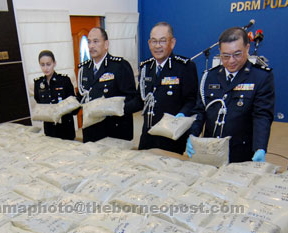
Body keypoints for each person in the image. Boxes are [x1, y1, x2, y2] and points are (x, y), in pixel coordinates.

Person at [187, 27, 275, 163]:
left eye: (237, 54)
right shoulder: (210, 76)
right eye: (225, 56)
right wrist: (192, 134)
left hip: (241, 153)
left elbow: (262, 116)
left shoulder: (260, 77)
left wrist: (260, 147)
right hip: (209, 150)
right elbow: (200, 110)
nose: (231, 61)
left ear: (247, 48)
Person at [129, 22, 198, 154]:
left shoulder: (184, 67)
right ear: (149, 43)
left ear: (172, 43)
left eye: (162, 41)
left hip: (171, 136)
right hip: (148, 134)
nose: (157, 46)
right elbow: (140, 99)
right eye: (154, 41)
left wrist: (182, 114)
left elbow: (192, 100)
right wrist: (120, 108)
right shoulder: (145, 68)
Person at [77, 27, 137, 142]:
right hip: (91, 130)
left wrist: (112, 108)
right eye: (89, 42)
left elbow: (133, 98)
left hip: (114, 130)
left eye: (95, 41)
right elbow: (80, 97)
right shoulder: (84, 69)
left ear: (106, 44)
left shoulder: (120, 66)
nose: (91, 46)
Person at [33, 50, 77, 140]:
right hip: (50, 129)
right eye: (42, 65)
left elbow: (73, 105)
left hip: (65, 128)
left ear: (54, 63)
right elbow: (39, 102)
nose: (46, 68)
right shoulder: (38, 83)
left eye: (48, 64)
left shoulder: (64, 80)